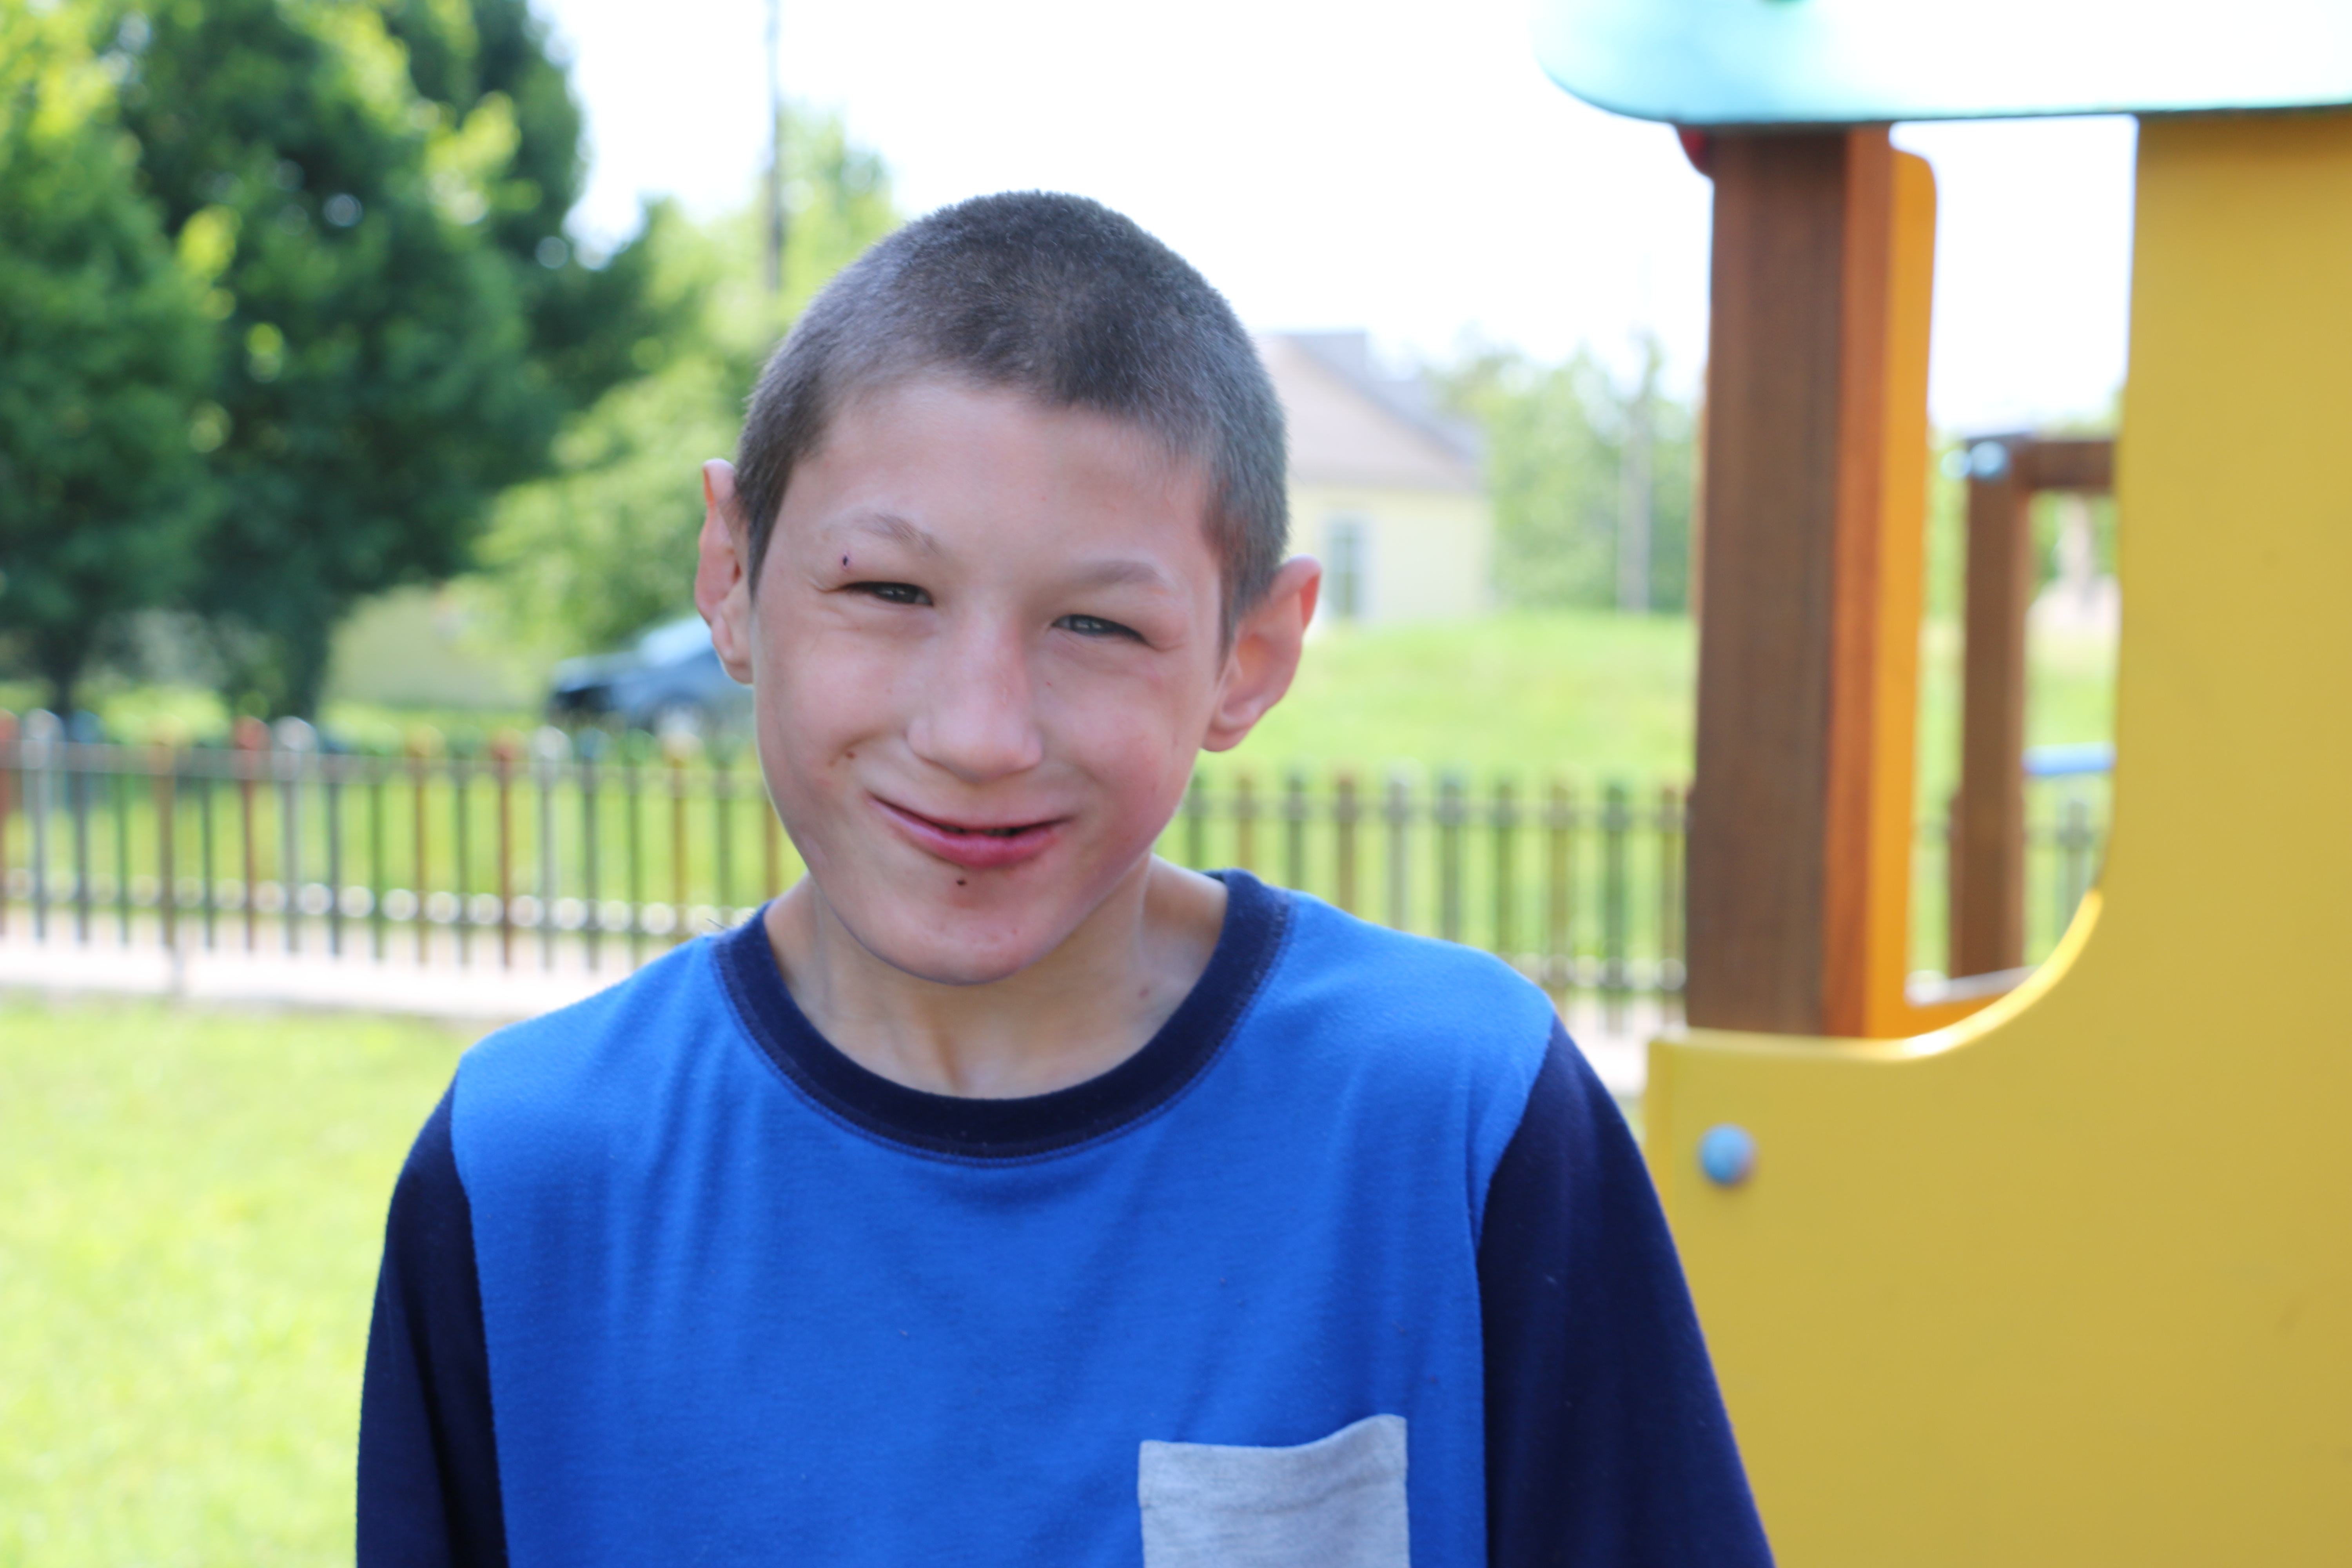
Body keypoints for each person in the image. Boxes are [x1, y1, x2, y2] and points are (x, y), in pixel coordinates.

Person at [358, 191, 1771, 1568]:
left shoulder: (1459, 1119)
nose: (981, 734)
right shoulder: (526, 1171)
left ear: (1251, 654)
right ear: (730, 575)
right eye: (888, 591)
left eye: (1097, 624)